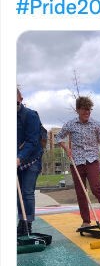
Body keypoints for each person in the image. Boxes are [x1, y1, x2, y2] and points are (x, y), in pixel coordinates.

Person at [56, 96, 100, 230]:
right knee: (81, 191)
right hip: (76, 162)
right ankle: (86, 221)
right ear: (78, 110)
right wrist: (66, 148)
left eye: (89, 110)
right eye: (84, 110)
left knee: (96, 188)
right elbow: (59, 136)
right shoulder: (70, 124)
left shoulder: (97, 125)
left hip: (92, 160)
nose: (87, 112)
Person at [17, 87, 44, 235]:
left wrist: (19, 158)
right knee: (17, 192)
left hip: (32, 158)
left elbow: (32, 141)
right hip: (16, 158)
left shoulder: (30, 116)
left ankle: (28, 223)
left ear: (21, 100)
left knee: (27, 192)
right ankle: (21, 223)